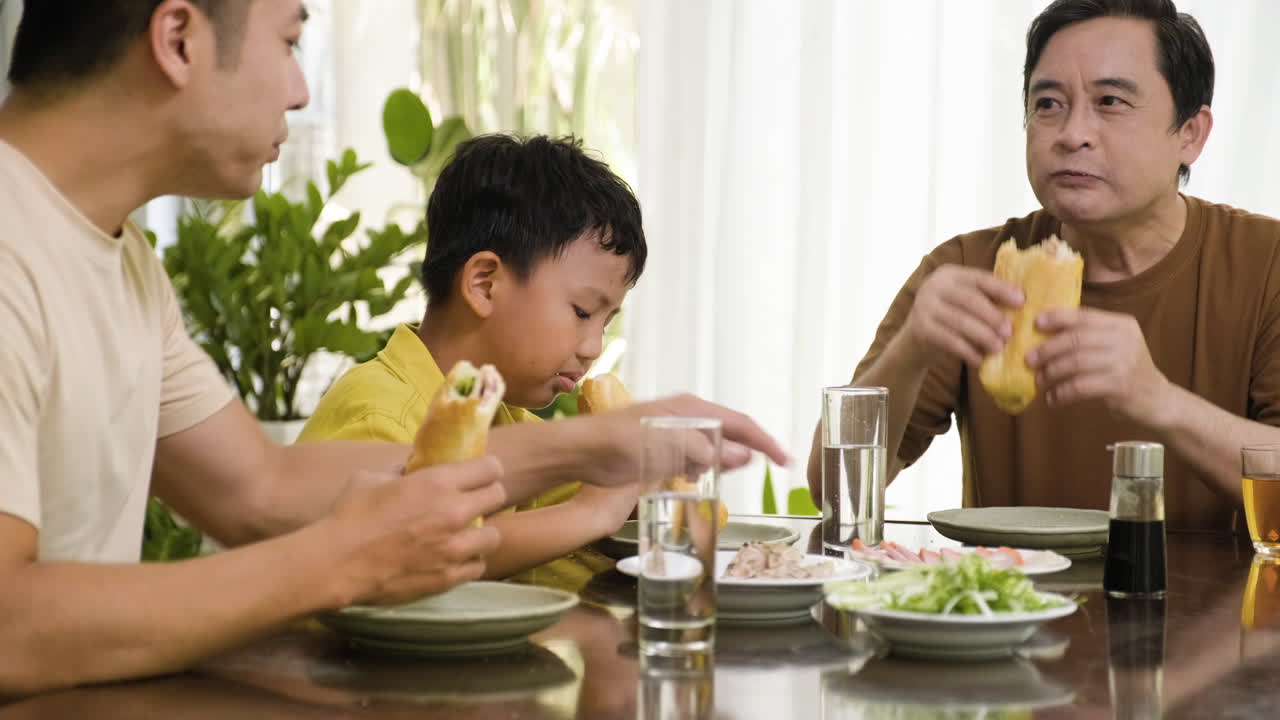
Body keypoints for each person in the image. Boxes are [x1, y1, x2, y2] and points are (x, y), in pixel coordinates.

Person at [0, 0, 788, 695]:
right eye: (290, 40)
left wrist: (590, 445)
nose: (302, 91)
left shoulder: (122, 259)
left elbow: (260, 486)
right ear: (178, 39)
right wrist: (337, 561)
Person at [808, 0, 1280, 534]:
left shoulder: (1266, 263)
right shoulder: (968, 269)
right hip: (1011, 609)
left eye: (1109, 101)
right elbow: (833, 492)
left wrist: (1157, 400)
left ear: (1190, 134)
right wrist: (911, 353)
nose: (1072, 133)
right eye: (1049, 103)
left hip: (1221, 616)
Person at [299, 133, 646, 588]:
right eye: (582, 312)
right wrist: (593, 511)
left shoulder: (507, 421)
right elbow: (413, 554)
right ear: (484, 284)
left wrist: (643, 487)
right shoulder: (379, 417)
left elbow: (582, 536)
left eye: (605, 322)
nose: (592, 347)